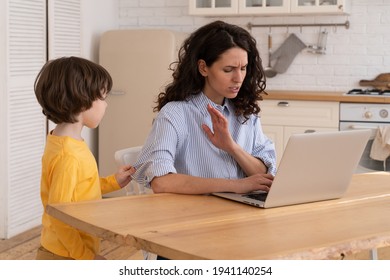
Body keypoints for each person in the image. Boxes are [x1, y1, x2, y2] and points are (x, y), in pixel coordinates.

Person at [133, 20, 276, 195]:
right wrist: (235, 185)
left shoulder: (245, 112)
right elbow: (161, 182)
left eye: (243, 68)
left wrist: (232, 147)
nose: (239, 78)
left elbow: (263, 177)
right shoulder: (175, 114)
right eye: (228, 69)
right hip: (193, 215)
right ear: (203, 68)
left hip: (239, 213)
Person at [34, 56, 136, 260]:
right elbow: (58, 215)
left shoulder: (64, 141)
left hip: (69, 250)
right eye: (102, 99)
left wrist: (113, 182)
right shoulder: (68, 156)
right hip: (64, 255)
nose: (106, 105)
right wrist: (86, 258)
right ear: (81, 100)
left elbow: (80, 190)